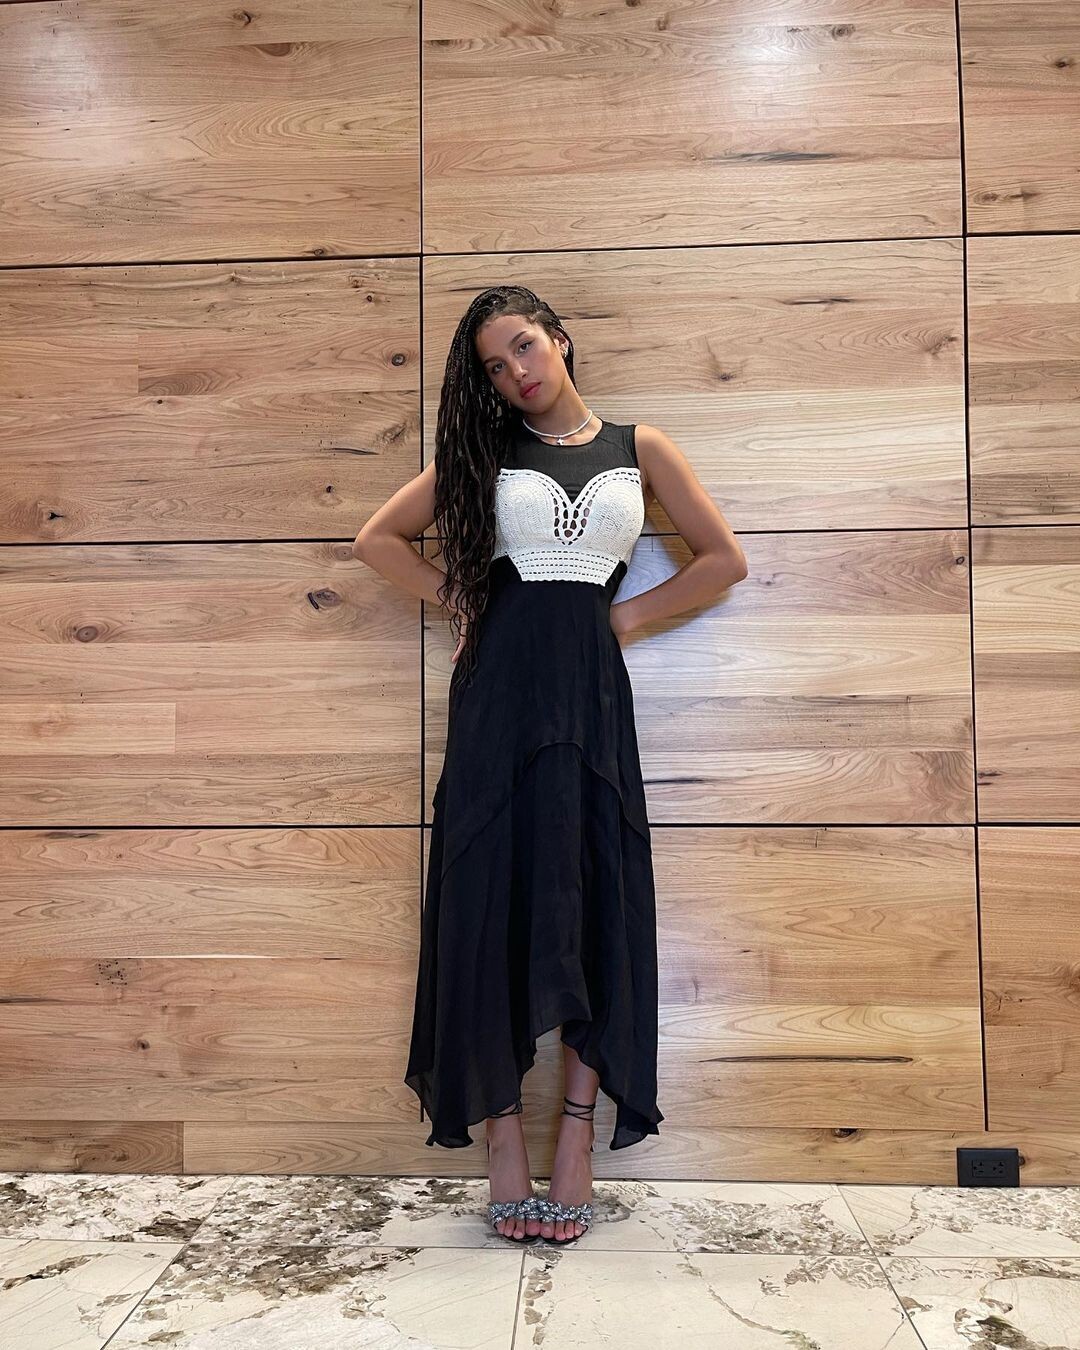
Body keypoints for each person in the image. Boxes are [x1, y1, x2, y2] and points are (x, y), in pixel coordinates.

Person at [353, 285, 748, 1245]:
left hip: (591, 697)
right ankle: (502, 1142)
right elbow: (377, 540)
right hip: (499, 695)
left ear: (560, 340)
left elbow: (721, 559)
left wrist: (624, 618)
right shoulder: (483, 454)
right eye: (495, 366)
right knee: (487, 893)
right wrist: (462, 602)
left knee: (591, 892)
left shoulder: (640, 446)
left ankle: (576, 1133)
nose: (516, 373)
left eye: (524, 347)